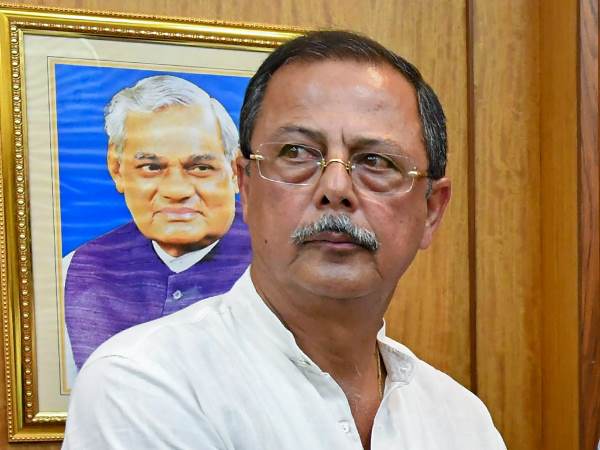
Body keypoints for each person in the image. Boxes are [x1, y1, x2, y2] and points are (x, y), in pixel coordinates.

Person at [63, 32, 506, 449]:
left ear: (431, 210)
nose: (336, 187)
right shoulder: (143, 383)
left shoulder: (460, 420)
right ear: (246, 186)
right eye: (296, 153)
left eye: (375, 161)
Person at [63, 75, 251, 374]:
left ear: (234, 172)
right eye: (151, 167)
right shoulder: (75, 273)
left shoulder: (283, 268)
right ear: (117, 169)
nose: (176, 190)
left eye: (201, 167)